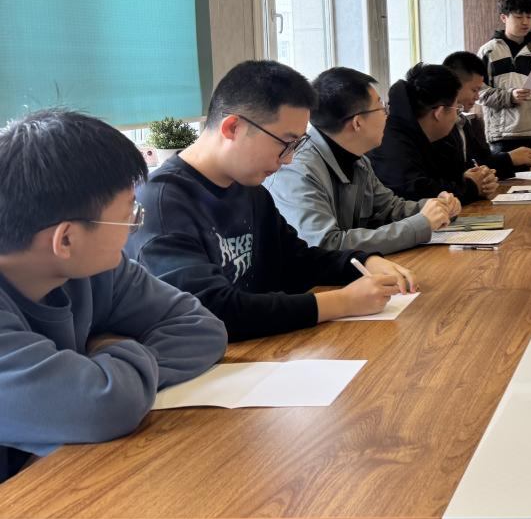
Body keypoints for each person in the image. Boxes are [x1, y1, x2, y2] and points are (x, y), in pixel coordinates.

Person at [0, 110, 226, 482]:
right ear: (66, 239)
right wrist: (107, 378)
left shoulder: (95, 270)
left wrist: (105, 360)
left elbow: (201, 328)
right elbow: (105, 406)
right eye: (128, 215)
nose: (135, 226)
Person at [127, 61, 416, 342]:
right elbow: (211, 310)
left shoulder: (249, 187)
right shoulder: (161, 203)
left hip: (268, 348)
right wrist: (342, 302)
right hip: (214, 363)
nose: (288, 159)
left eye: (297, 144)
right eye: (284, 143)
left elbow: (296, 261)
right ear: (233, 128)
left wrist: (364, 261)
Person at [265, 67, 461, 254]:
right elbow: (325, 245)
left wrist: (436, 207)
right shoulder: (297, 169)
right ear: (357, 122)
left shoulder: (357, 160)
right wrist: (420, 225)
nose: (387, 116)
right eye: (381, 108)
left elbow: (388, 208)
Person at [371, 63, 495, 204]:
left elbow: (440, 180)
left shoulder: (426, 134)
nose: (456, 117)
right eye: (457, 110)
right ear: (439, 113)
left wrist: (471, 179)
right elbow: (415, 193)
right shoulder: (391, 141)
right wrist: (471, 187)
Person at [442, 52, 531, 179]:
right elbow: (455, 176)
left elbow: (483, 163)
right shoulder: (442, 125)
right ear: (455, 86)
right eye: (474, 90)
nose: (477, 97)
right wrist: (510, 158)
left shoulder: (461, 121)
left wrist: (527, 157)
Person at [476, 0, 531, 155]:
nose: (525, 22)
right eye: (519, 17)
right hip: (504, 135)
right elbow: (478, 93)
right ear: (503, 18)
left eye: (529, 17)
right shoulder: (489, 51)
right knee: (508, 172)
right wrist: (509, 96)